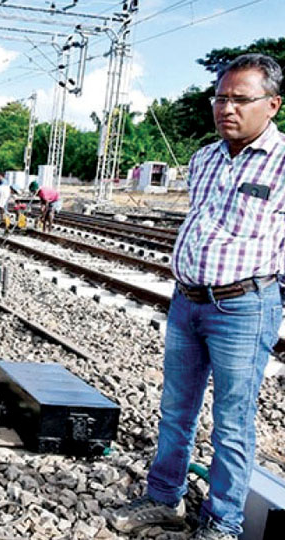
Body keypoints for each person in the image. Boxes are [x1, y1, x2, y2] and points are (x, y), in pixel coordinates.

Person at [108, 53, 285, 540]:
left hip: (244, 307)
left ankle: (223, 523)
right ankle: (164, 497)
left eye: (240, 99)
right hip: (187, 301)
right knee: (175, 409)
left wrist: (271, 296)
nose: (227, 108)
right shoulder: (204, 158)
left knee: (232, 423)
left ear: (272, 105)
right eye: (221, 97)